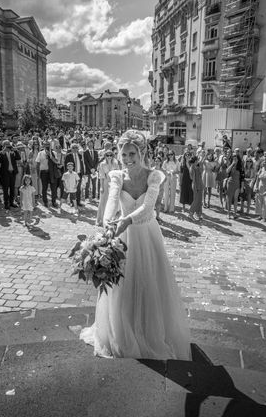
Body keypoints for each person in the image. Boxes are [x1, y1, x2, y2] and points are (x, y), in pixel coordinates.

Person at [80, 130, 191, 360]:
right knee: (124, 283)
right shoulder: (117, 176)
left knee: (149, 281)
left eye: (132, 153)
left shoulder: (154, 176)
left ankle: (150, 331)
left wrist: (127, 220)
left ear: (141, 153)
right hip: (123, 235)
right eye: (124, 154)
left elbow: (149, 207)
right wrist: (108, 222)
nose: (128, 158)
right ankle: (124, 330)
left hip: (147, 234)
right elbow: (111, 201)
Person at [95, 149, 118, 226]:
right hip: (105, 182)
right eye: (107, 155)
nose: (109, 157)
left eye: (110, 155)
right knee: (103, 201)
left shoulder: (115, 163)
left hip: (113, 183)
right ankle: (101, 219)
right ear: (105, 156)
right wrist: (101, 187)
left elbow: (118, 173)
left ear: (112, 156)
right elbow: (101, 176)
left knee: (112, 201)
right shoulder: (102, 164)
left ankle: (111, 219)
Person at [188, 154, 204, 221]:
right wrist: (197, 187)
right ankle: (190, 214)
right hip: (196, 186)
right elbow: (193, 179)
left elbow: (201, 172)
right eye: (197, 160)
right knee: (196, 200)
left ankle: (198, 213)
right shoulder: (192, 168)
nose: (198, 161)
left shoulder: (196, 167)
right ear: (195, 161)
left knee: (199, 200)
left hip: (200, 185)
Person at [179, 149, 194, 213]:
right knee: (183, 192)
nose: (187, 156)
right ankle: (183, 207)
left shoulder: (191, 163)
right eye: (186, 154)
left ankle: (191, 207)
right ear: (184, 156)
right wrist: (180, 181)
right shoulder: (182, 163)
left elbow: (191, 171)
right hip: (184, 179)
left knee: (190, 192)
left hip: (190, 179)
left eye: (189, 155)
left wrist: (188, 162)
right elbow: (181, 173)